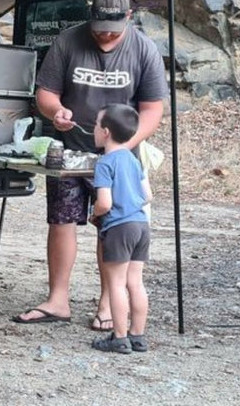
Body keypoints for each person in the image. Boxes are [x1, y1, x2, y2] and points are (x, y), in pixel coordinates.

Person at [12, 0, 167, 328]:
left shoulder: (143, 49)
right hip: (70, 152)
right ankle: (58, 300)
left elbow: (153, 110)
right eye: (99, 29)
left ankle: (108, 306)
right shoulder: (68, 41)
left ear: (129, 18)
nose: (105, 36)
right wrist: (56, 112)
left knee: (112, 226)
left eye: (113, 30)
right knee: (62, 221)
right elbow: (46, 93)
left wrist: (125, 145)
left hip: (120, 157)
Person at [89, 104, 152, 353]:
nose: (93, 128)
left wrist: (95, 213)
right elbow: (147, 196)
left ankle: (119, 337)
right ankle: (138, 335)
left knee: (116, 283)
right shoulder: (134, 159)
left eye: (95, 124)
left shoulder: (105, 163)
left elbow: (105, 202)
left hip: (119, 227)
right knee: (135, 282)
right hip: (141, 224)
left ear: (105, 132)